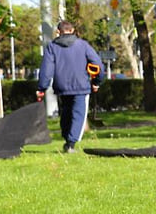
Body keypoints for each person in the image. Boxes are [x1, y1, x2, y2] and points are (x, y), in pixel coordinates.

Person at [35, 20, 104, 153]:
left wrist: (41, 88)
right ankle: (71, 144)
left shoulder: (52, 47)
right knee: (79, 114)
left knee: (66, 113)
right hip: (81, 86)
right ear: (72, 31)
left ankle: (67, 140)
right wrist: (96, 82)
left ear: (58, 32)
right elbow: (98, 64)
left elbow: (46, 69)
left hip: (61, 87)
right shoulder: (83, 45)